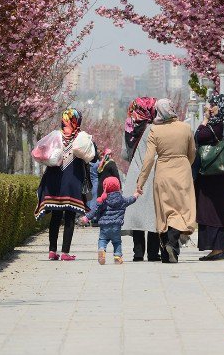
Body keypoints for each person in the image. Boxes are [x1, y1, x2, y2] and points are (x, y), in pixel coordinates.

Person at [136, 99, 197, 263]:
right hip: (182, 171)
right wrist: (185, 165)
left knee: (164, 212)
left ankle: (166, 252)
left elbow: (148, 159)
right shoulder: (185, 128)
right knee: (181, 210)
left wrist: (140, 181)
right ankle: (172, 245)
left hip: (163, 173)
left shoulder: (155, 131)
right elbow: (192, 152)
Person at [35, 108, 89, 261]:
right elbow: (92, 157)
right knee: (70, 217)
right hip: (72, 183)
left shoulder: (55, 136)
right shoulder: (81, 138)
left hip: (54, 182)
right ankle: (65, 252)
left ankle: (52, 251)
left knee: (56, 217)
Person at [194, 94, 224, 261]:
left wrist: (205, 118)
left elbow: (198, 136)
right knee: (222, 211)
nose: (208, 108)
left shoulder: (217, 125)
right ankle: (222, 247)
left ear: (219, 107)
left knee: (210, 212)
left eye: (211, 105)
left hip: (212, 176)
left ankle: (216, 249)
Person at [120, 97, 160, 261]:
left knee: (136, 214)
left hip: (135, 173)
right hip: (152, 173)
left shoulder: (129, 128)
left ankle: (138, 253)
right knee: (153, 213)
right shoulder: (154, 128)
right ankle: (152, 252)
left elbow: (124, 154)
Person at [80, 176, 139, 264]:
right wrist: (136, 195)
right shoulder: (121, 199)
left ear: (105, 187)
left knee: (102, 240)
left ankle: (102, 250)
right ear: (118, 186)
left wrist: (86, 218)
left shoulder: (102, 200)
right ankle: (117, 257)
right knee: (117, 242)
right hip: (116, 226)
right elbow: (130, 200)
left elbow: (94, 211)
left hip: (104, 226)